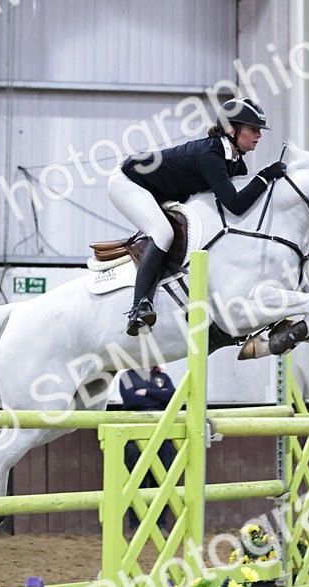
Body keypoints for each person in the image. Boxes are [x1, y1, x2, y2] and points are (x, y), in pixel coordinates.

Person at [108, 97, 287, 336]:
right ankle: (139, 307)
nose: (259, 135)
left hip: (160, 191)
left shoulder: (235, 164)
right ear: (231, 129)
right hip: (128, 182)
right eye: (253, 129)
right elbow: (235, 204)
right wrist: (264, 176)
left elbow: (238, 209)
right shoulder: (211, 155)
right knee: (163, 233)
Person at [119, 366, 177, 532]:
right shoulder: (127, 376)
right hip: (135, 435)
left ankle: (160, 524)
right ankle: (136, 525)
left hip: (163, 434)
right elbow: (131, 401)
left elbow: (172, 397)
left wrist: (146, 392)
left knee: (163, 480)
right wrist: (159, 396)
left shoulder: (162, 376)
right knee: (136, 480)